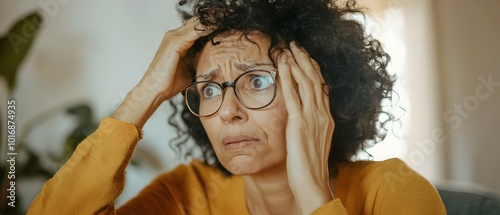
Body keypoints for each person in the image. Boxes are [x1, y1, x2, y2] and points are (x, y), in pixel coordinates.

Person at [28, 0, 446, 214]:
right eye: (208, 89)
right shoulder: (189, 196)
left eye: (258, 81)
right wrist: (146, 93)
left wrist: (313, 197)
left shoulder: (393, 192)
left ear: (320, 91)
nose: (227, 110)